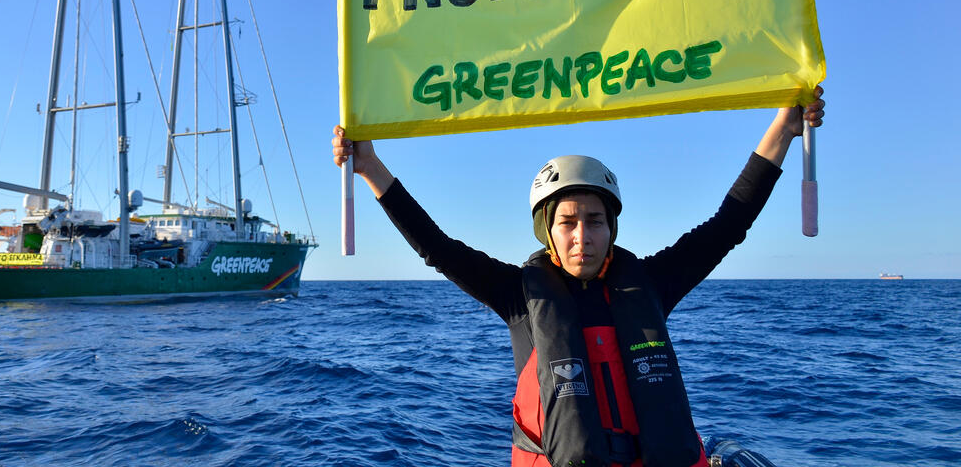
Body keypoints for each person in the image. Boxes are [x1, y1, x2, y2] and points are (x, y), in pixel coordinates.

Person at [332, 87, 824, 467]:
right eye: (568, 222)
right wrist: (371, 167)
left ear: (612, 229)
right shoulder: (519, 296)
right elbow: (437, 248)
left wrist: (784, 127)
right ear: (548, 231)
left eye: (595, 221)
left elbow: (727, 226)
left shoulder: (650, 283)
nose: (582, 236)